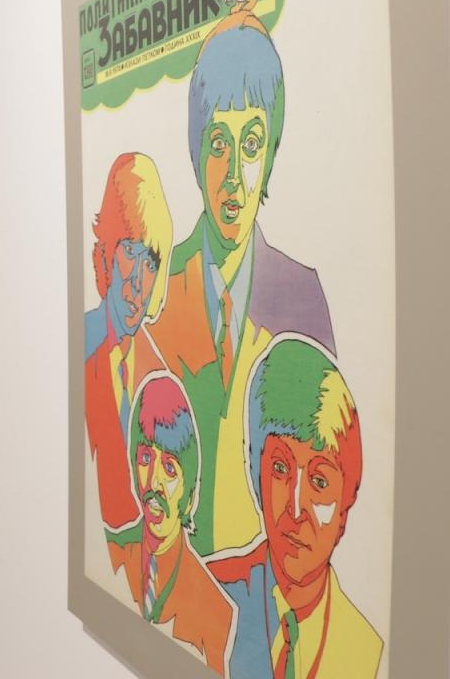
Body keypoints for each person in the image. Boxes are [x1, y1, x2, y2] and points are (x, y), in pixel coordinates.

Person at [147, 13, 335, 555]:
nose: (233, 177)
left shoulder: (303, 298)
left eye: (251, 144)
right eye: (218, 144)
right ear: (196, 151)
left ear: (271, 151)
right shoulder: (159, 290)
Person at [208, 337, 381, 679]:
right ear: (256, 474)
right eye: (280, 469)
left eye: (319, 482)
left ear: (345, 507)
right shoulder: (211, 591)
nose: (296, 507)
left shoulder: (366, 647)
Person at [107, 373, 233, 674]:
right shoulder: (113, 551)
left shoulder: (216, 611)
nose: (154, 482)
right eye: (145, 459)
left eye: (170, 468)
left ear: (189, 494)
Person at [84, 153, 172, 531]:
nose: (138, 281)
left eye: (150, 261)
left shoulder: (161, 375)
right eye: (130, 251)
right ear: (106, 251)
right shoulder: (79, 348)